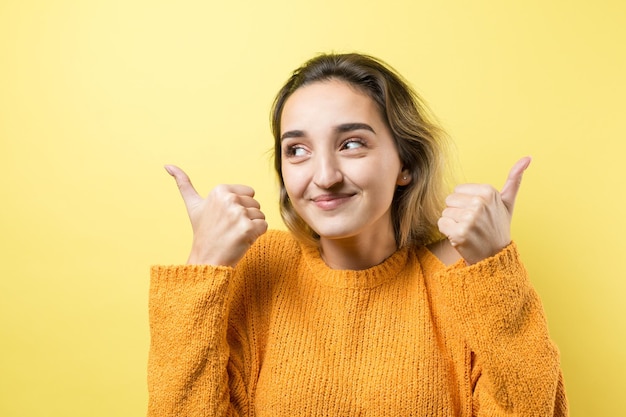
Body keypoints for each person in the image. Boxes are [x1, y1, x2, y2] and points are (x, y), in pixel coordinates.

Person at [148, 53, 568, 416]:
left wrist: (496, 269)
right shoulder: (260, 268)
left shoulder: (462, 282)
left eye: (351, 144)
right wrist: (202, 266)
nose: (325, 176)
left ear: (406, 163)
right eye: (297, 150)